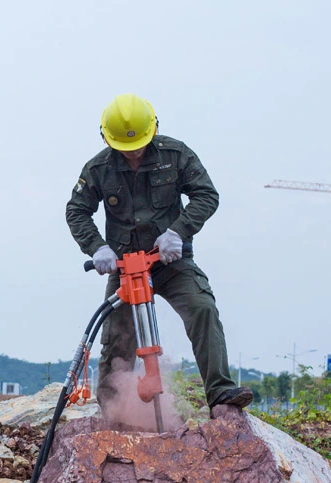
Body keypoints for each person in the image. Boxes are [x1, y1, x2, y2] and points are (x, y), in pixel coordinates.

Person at [65, 93, 252, 416]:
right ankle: (112, 414)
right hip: (125, 268)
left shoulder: (175, 155)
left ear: (153, 130)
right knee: (117, 340)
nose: (133, 153)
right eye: (125, 148)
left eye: (138, 144)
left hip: (169, 262)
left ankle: (220, 394)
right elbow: (77, 211)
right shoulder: (98, 169)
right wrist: (97, 248)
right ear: (107, 139)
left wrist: (179, 231)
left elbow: (206, 195)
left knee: (202, 307)